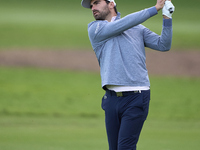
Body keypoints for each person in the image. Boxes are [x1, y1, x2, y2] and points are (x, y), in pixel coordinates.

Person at [81, 0, 175, 149]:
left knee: (125, 147)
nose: (93, 8)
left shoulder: (137, 28)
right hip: (111, 99)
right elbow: (123, 24)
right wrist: (155, 8)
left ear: (111, 4)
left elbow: (163, 44)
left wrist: (166, 17)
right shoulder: (95, 28)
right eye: (91, 6)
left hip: (137, 97)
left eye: (96, 3)